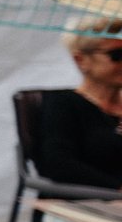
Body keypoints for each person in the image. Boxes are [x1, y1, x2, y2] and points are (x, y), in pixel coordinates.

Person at [35, 17, 122, 189]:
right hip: (86, 205)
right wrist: (117, 188)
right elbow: (58, 165)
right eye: (116, 55)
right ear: (81, 60)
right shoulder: (63, 104)